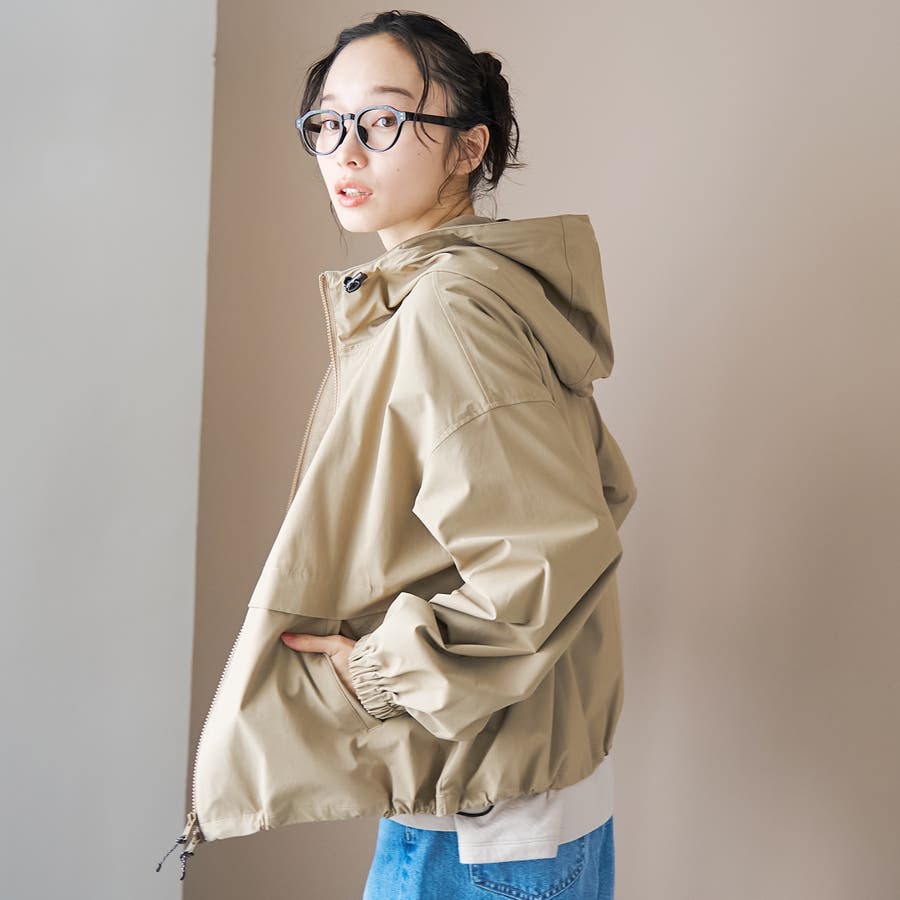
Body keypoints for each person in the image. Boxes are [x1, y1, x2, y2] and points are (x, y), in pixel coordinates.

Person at [156, 9, 636, 899]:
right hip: (509, 793)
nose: (345, 150)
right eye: (326, 123)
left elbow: (547, 553)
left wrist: (379, 673)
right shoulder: (473, 297)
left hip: (478, 825)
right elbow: (590, 500)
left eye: (382, 120)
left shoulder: (451, 310)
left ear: (467, 148)